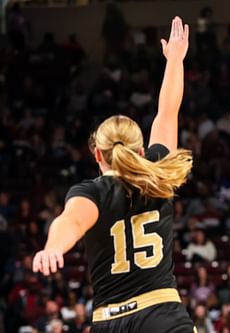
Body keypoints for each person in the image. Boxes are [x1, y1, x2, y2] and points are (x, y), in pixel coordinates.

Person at [32, 17, 195, 333]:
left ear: (96, 154)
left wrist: (53, 247)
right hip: (161, 315)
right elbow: (167, 111)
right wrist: (175, 60)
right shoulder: (158, 169)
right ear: (142, 152)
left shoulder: (90, 192)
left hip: (110, 321)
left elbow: (72, 222)